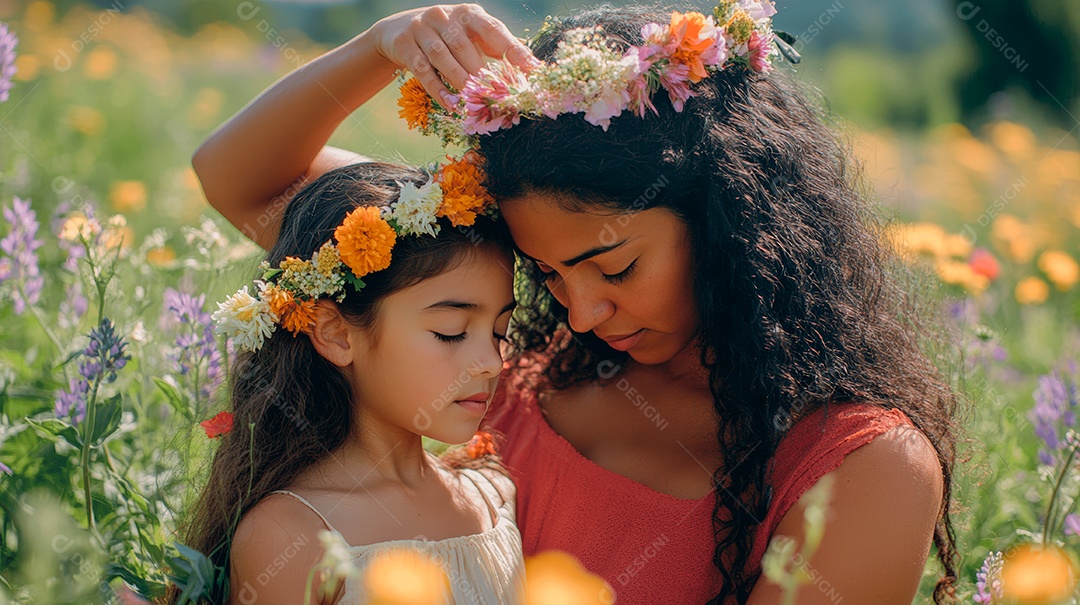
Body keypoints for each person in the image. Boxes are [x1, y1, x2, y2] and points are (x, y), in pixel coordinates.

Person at [193, 3, 960, 603]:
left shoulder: (862, 465)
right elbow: (243, 181)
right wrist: (383, 43)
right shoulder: (492, 362)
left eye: (614, 267)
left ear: (733, 225)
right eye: (548, 274)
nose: (581, 313)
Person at [175, 158, 523, 604]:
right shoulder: (293, 535)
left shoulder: (493, 495)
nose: (491, 362)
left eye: (500, 331)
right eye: (451, 331)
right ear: (336, 334)